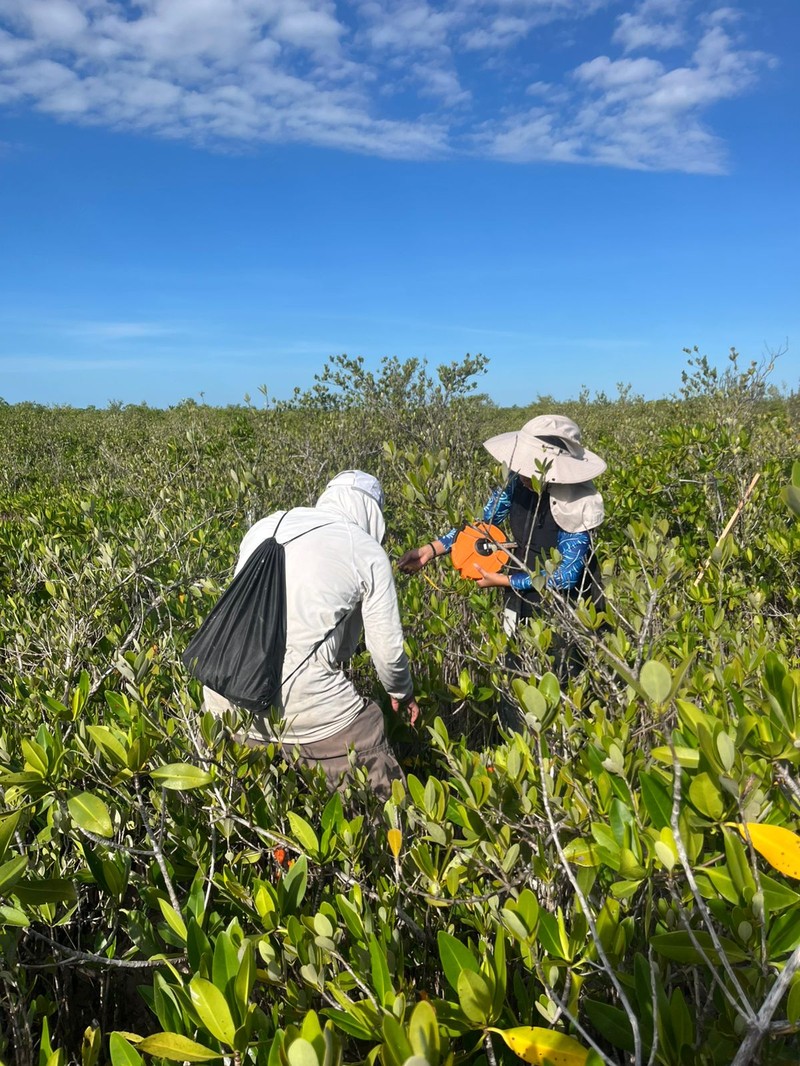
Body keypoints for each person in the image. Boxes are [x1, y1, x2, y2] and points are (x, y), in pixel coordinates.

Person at [203, 470, 419, 799]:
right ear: (373, 514)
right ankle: (389, 844)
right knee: (374, 758)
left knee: (254, 805)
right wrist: (402, 693)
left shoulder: (266, 525)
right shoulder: (366, 551)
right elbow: (387, 655)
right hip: (305, 705)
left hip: (225, 691)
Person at [398, 414, 606, 674]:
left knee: (562, 674)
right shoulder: (516, 485)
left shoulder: (577, 502)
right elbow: (479, 528)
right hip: (520, 590)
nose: (522, 472)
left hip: (565, 606)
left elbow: (566, 576)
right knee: (517, 667)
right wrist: (431, 550)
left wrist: (507, 581)